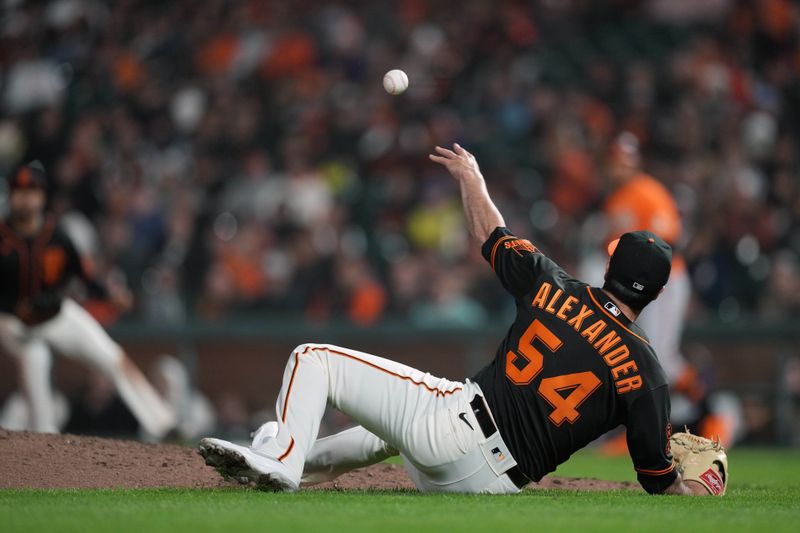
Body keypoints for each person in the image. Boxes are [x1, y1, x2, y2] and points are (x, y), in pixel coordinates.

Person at [200, 144, 718, 495]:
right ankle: (276, 456)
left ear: (609, 265)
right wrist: (702, 486)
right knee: (387, 431)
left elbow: (490, 232)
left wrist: (471, 178)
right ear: (659, 292)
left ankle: (280, 461)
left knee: (312, 359)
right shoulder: (647, 371)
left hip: (456, 429)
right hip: (494, 487)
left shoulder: (554, 285)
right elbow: (657, 478)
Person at [0, 163, 175, 438]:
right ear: (11, 196)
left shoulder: (56, 236)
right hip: (12, 321)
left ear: (42, 197)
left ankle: (163, 425)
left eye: (31, 191)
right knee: (35, 358)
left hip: (55, 313)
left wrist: (110, 296)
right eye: (20, 191)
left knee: (112, 356)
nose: (25, 198)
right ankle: (44, 440)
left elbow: (85, 279)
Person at [601, 133, 729, 444]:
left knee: (660, 358)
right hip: (637, 285)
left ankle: (711, 416)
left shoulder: (648, 192)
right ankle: (655, 426)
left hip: (664, 281)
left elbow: (666, 243)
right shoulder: (615, 200)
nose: (620, 167)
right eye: (616, 161)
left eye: (626, 160)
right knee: (646, 355)